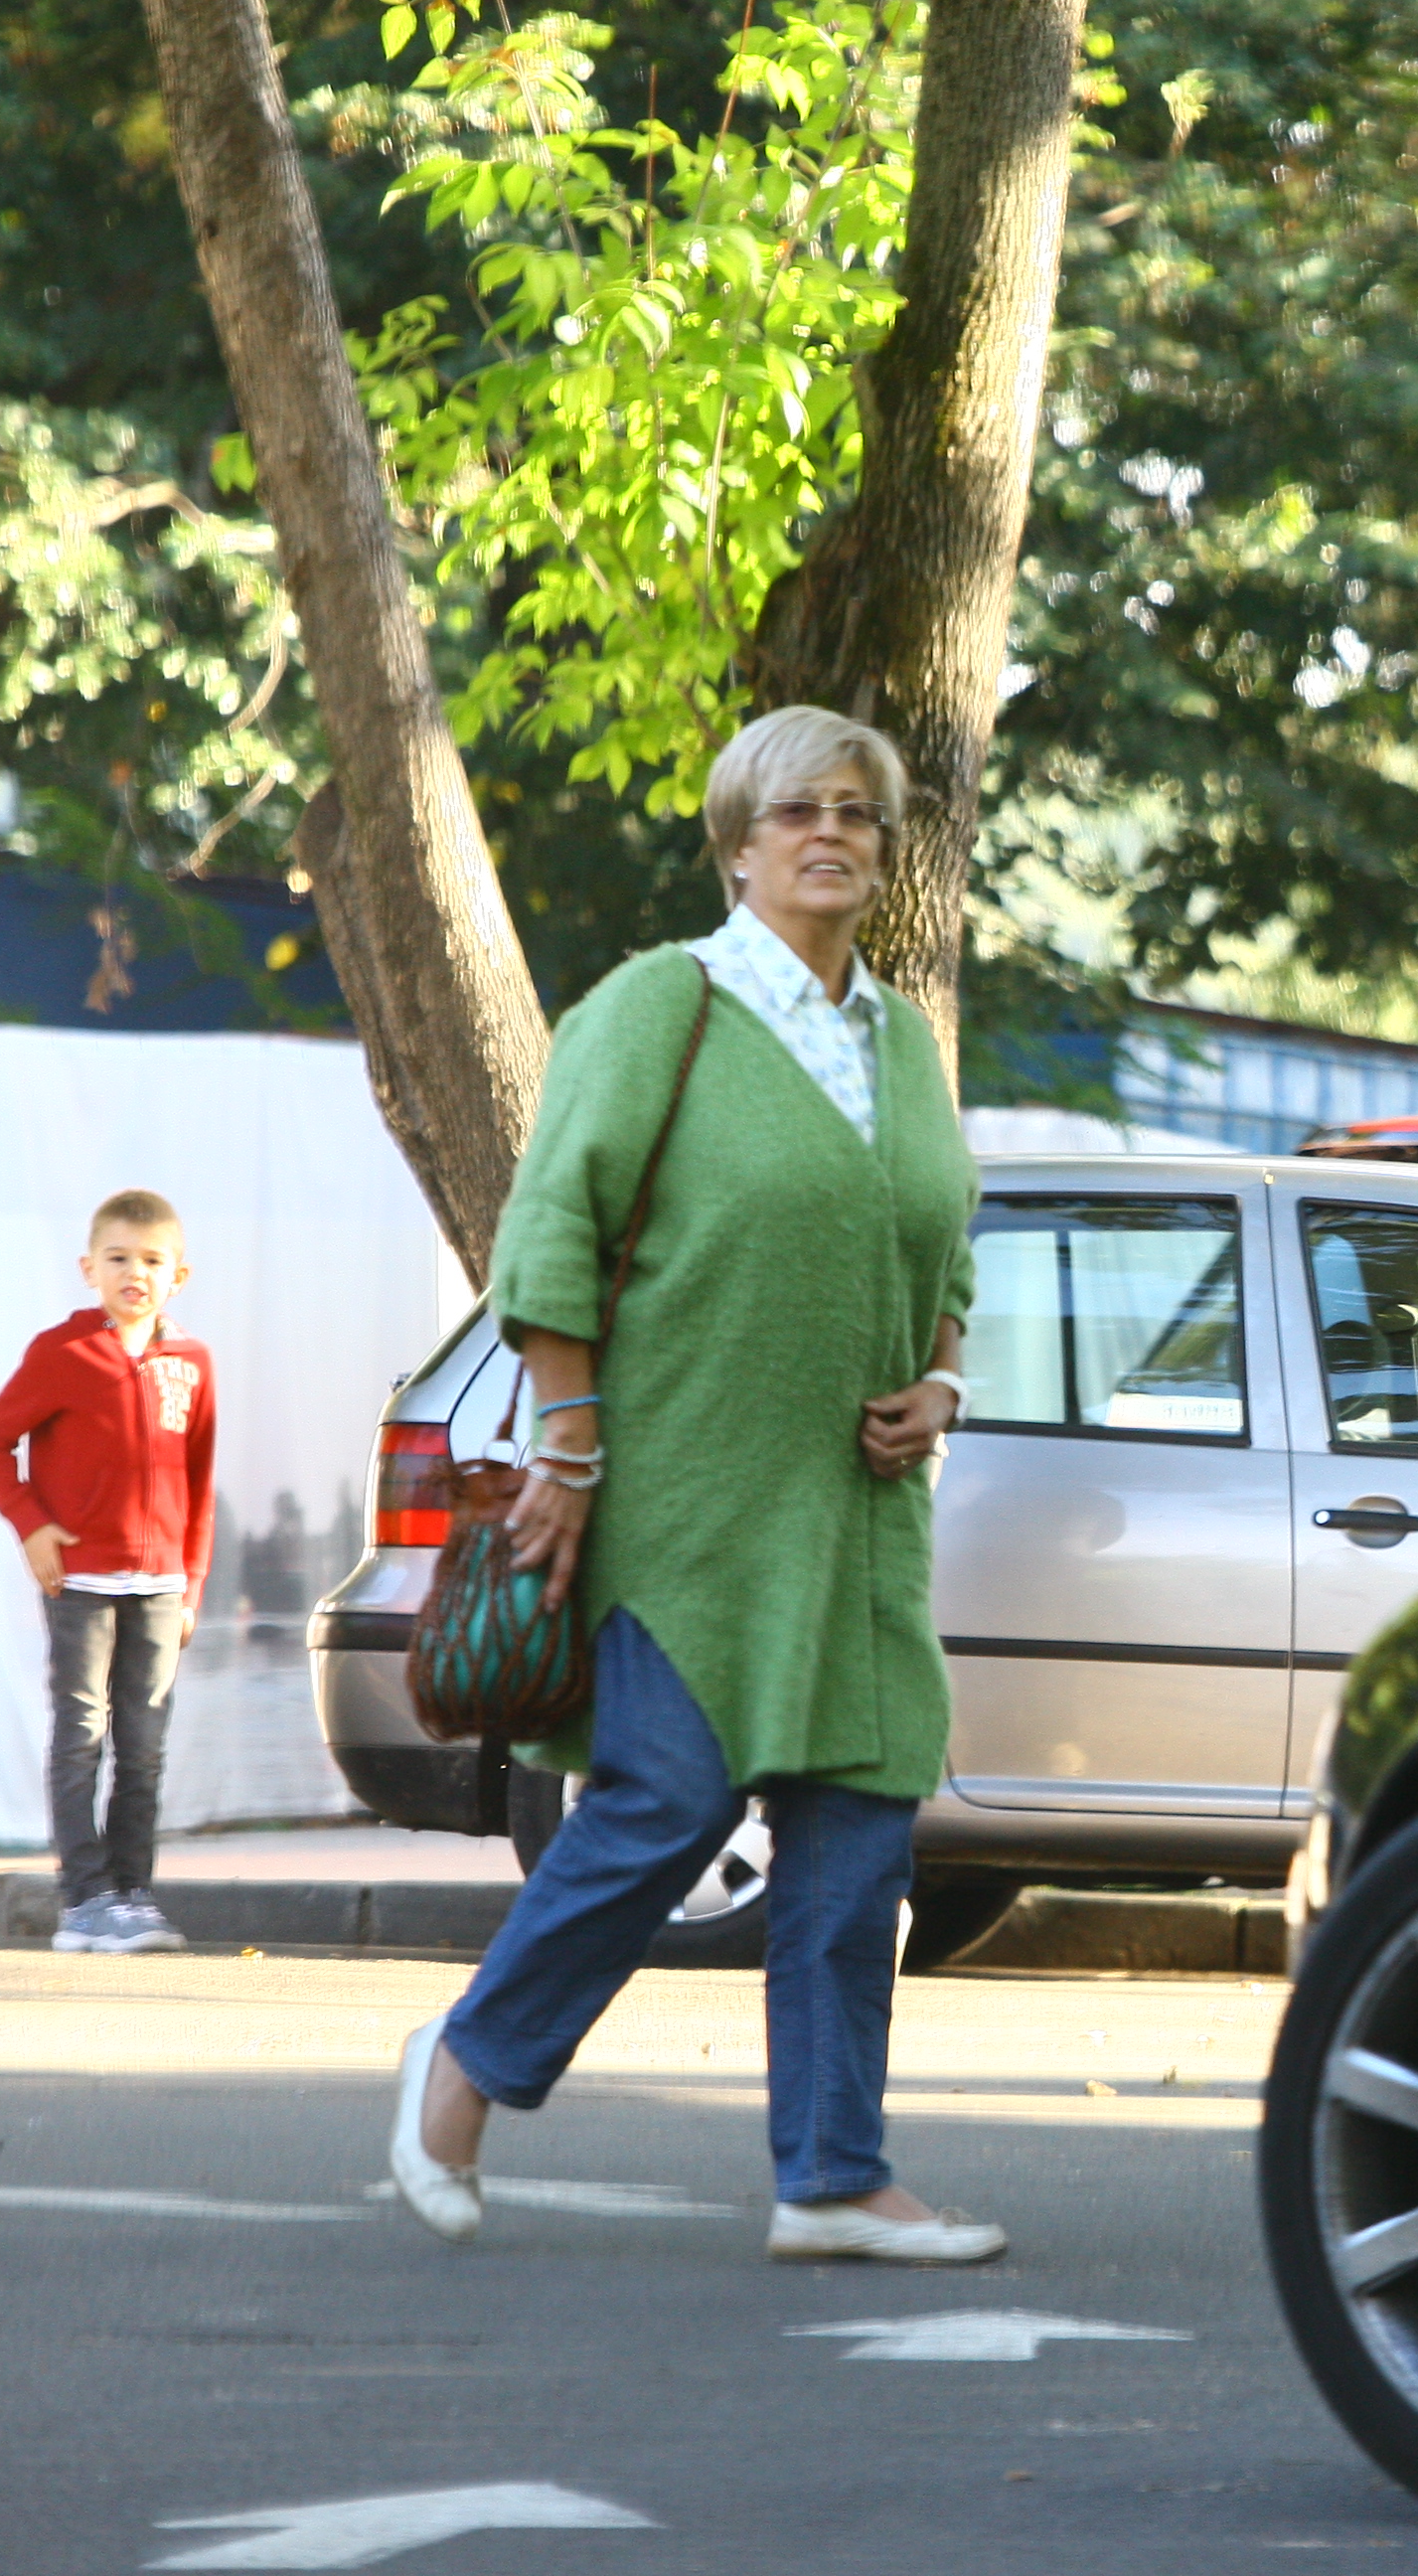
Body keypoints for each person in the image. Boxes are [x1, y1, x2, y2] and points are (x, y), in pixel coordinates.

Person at [386, 704, 998, 2263]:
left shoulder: (902, 1045)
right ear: (739, 843)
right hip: (688, 1511)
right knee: (662, 1805)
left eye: (862, 813)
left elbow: (943, 1255)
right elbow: (552, 1242)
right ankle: (464, 2072)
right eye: (801, 810)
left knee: (858, 1846)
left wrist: (940, 1384)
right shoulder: (667, 1009)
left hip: (858, 1529)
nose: (835, 834)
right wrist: (574, 1449)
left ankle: (833, 2177)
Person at [0, 1189, 216, 1958]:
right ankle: (83, 1901)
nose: (133, 1273)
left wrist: (192, 1584)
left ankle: (132, 1894)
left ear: (178, 1274)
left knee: (145, 1743)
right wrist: (32, 1527)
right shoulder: (62, 1354)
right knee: (82, 1733)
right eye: (117, 1259)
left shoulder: (193, 1365)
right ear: (89, 1268)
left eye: (151, 1261)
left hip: (161, 1588)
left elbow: (201, 1483)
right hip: (79, 1583)